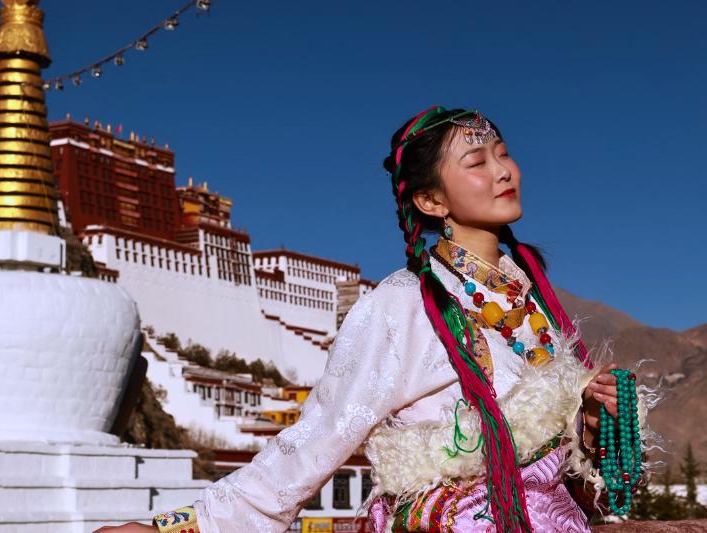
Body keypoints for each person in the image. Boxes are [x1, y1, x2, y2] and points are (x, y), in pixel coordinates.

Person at [96, 106, 650, 533]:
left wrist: (592, 426)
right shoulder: (402, 304)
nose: (504, 171)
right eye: (478, 163)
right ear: (432, 202)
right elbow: (320, 437)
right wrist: (189, 524)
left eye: (503, 154)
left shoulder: (534, 299)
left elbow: (555, 461)